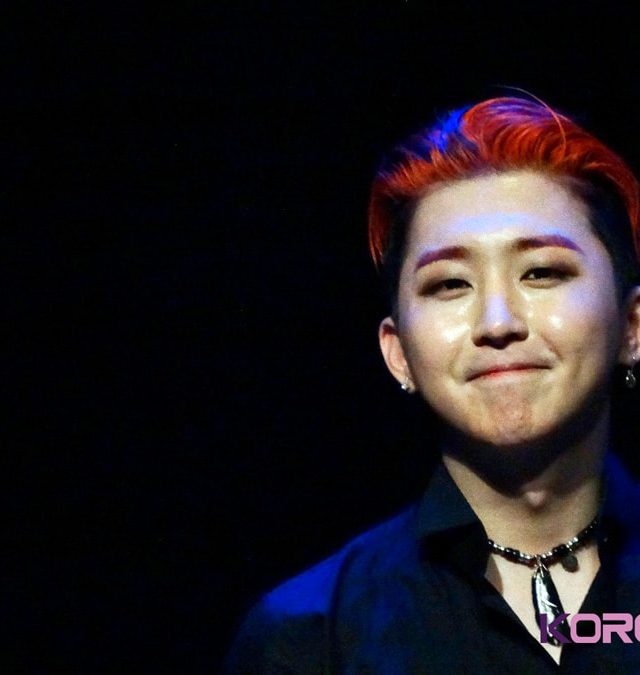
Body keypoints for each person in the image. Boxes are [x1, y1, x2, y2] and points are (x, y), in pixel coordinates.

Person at [226, 96, 640, 673]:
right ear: (398, 353)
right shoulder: (309, 639)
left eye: (542, 272)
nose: (498, 322)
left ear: (631, 326)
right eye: (449, 284)